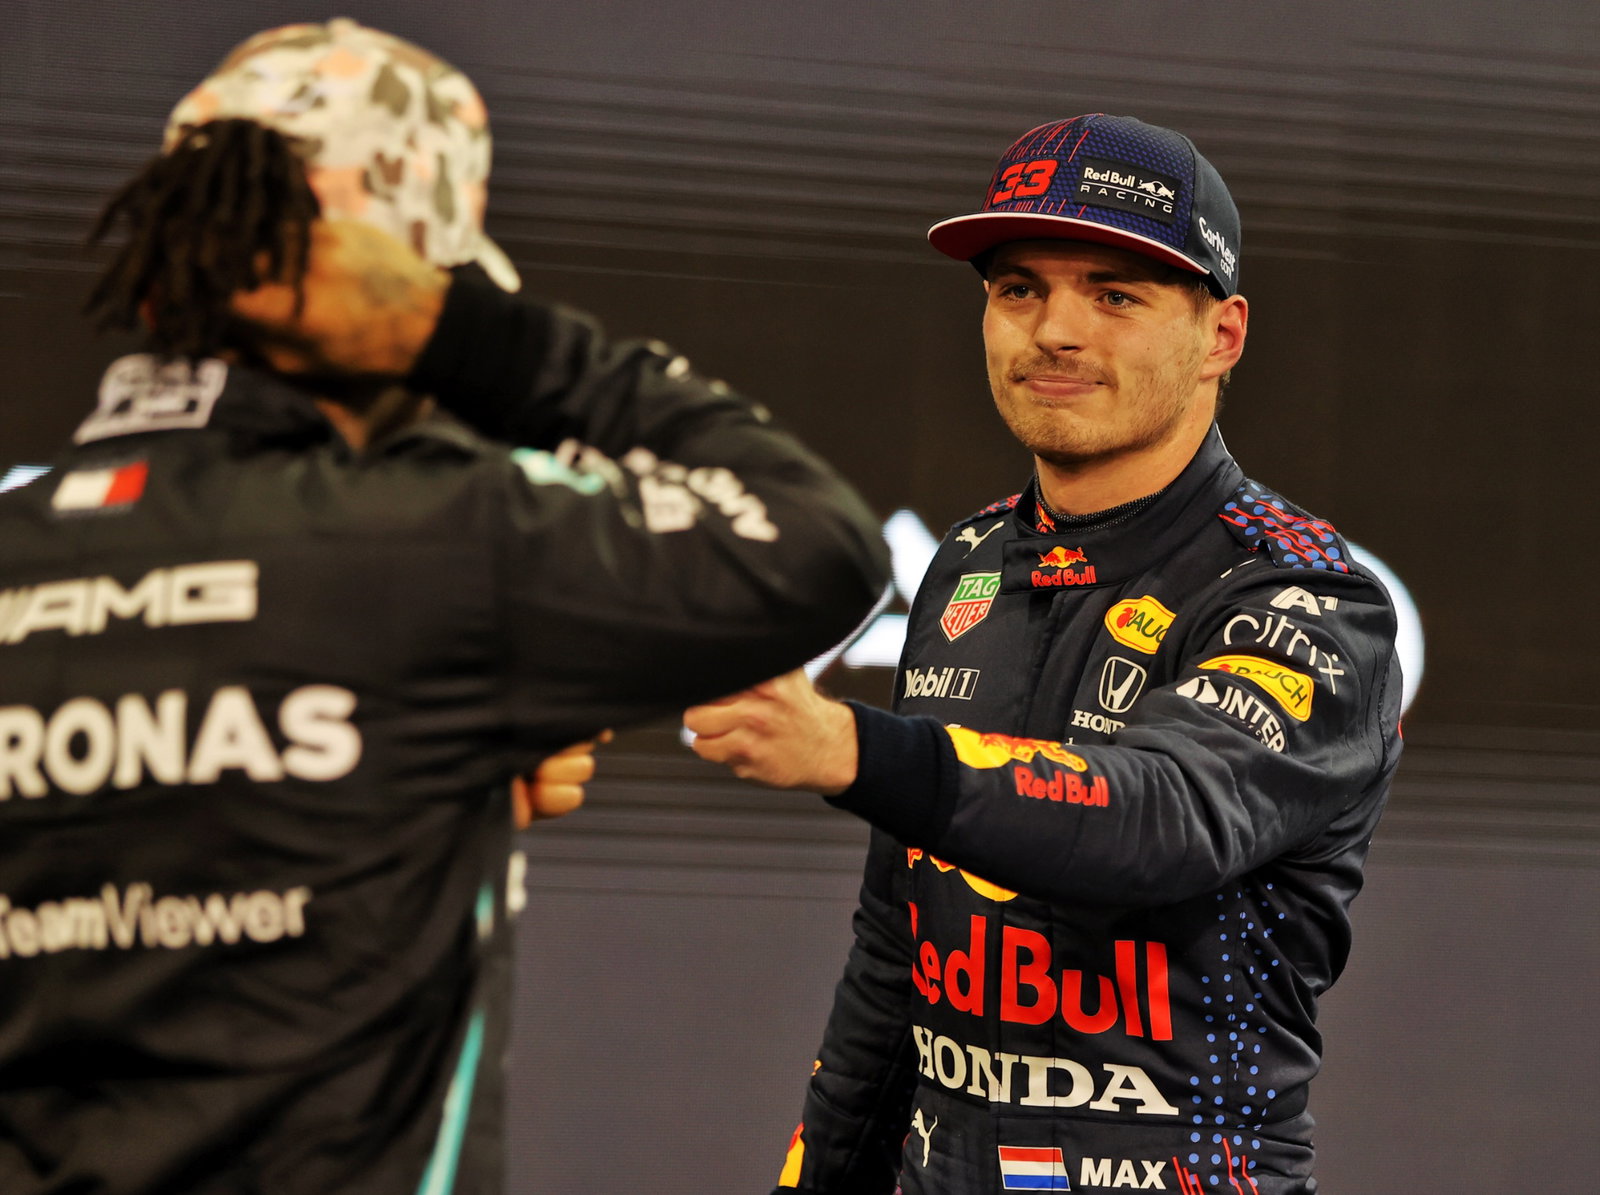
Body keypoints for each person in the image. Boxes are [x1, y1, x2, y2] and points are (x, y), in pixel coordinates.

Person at [0, 20, 888, 1195]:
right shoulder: (434, 533)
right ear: (390, 278)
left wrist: (410, 789)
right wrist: (473, 335)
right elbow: (818, 544)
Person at [685, 113, 1404, 1194]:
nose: (1054, 331)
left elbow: (1159, 817)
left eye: (1115, 294)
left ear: (1223, 335)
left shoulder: (1304, 591)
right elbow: (897, 950)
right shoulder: (969, 559)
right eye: (1019, 288)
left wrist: (847, 748)